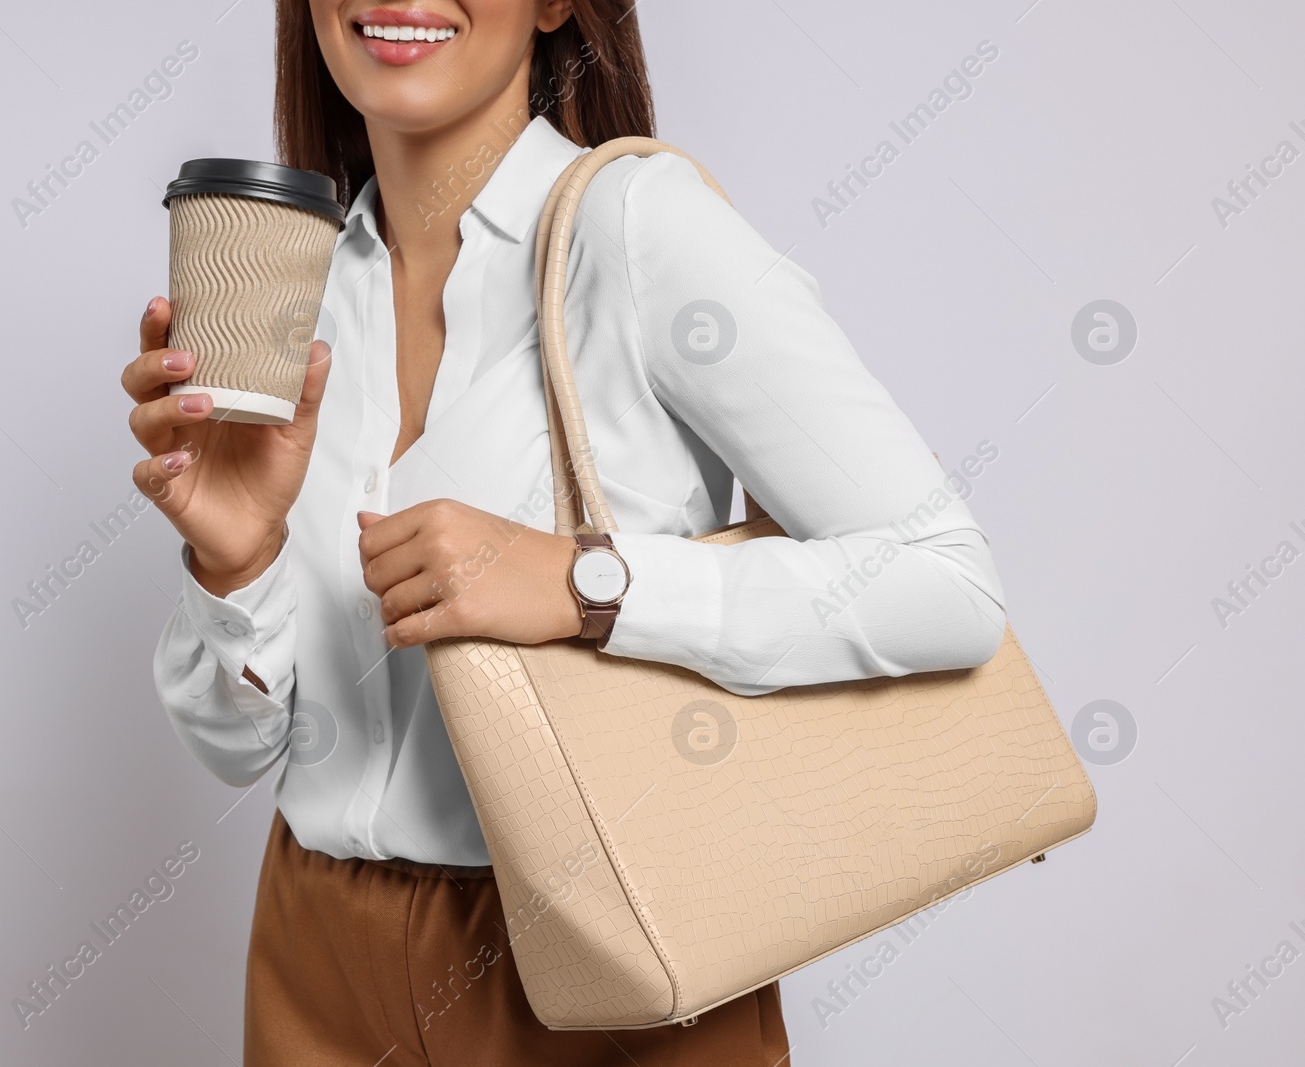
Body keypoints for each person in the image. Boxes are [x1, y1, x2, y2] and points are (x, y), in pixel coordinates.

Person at [121, 1, 1006, 1063]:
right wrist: (236, 557)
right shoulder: (292, 283)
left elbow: (945, 582)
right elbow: (236, 750)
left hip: (606, 957)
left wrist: (588, 586)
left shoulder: (638, 227)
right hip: (314, 954)